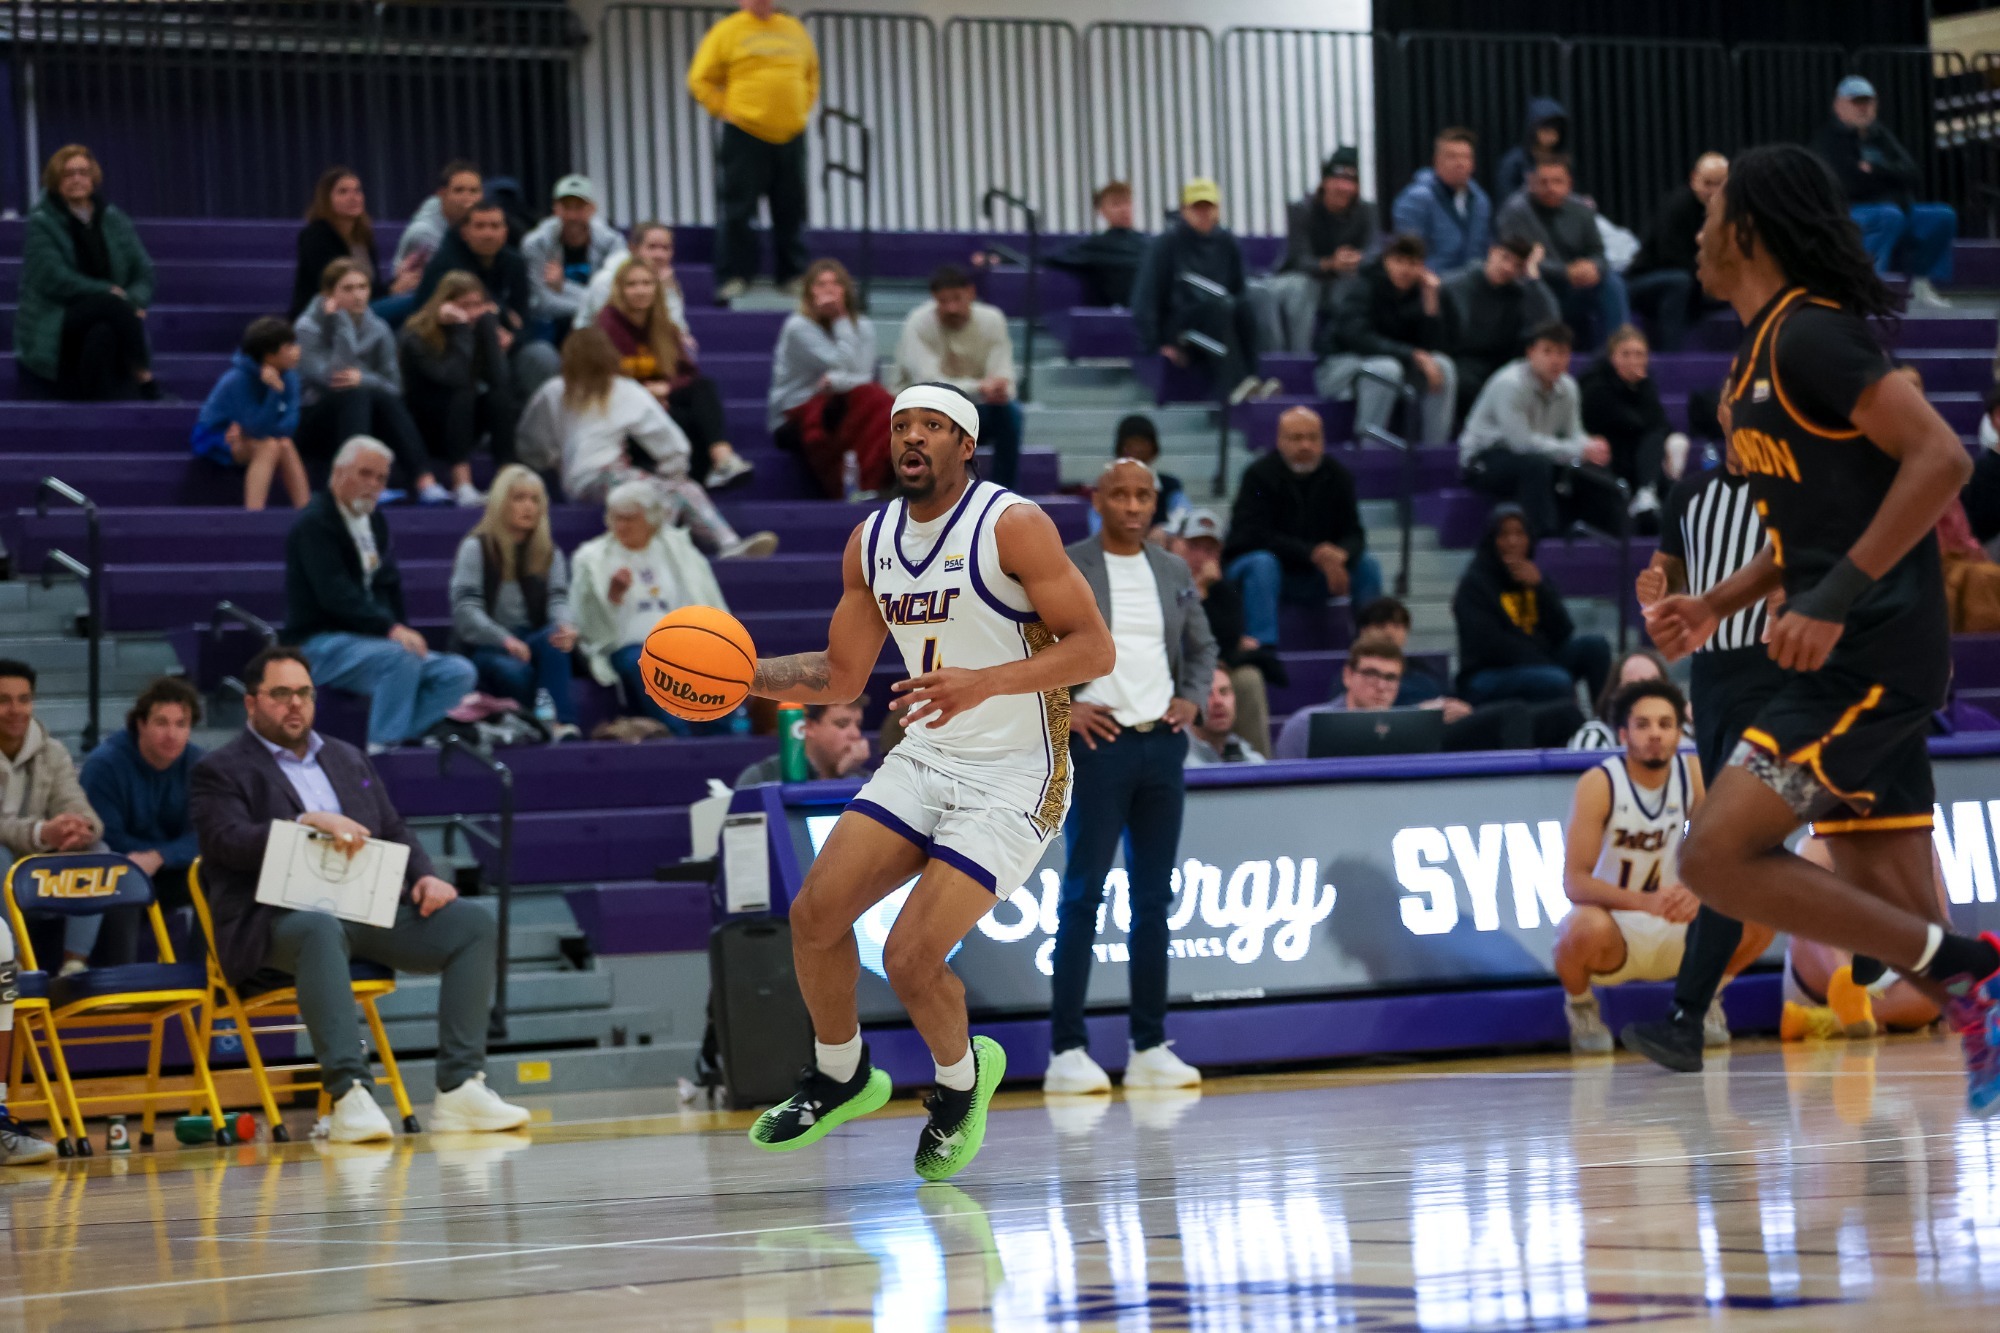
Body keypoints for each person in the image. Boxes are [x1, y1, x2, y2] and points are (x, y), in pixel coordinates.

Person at [1641, 143, 2000, 1115]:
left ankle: (1976, 964)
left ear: (1747, 231)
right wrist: (1717, 602)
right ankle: (1970, 976)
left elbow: (1938, 460)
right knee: (1897, 915)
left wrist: (1832, 596)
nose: (1696, 226)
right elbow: (1814, 525)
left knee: (1711, 855)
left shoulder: (1809, 338)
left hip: (1866, 659)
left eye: (1711, 210)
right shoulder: (1750, 363)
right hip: (1844, 648)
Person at [742, 381, 1114, 1180]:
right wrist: (745, 677)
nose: (912, 436)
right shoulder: (870, 541)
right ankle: (841, 1072)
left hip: (1018, 773)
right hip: (927, 758)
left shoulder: (1012, 524)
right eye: (901, 425)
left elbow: (1093, 650)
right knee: (814, 914)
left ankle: (958, 1081)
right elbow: (841, 675)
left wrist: (984, 681)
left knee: (912, 956)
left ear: (965, 445)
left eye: (932, 425)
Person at [189, 645, 530, 1143]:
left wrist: (424, 875)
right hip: (272, 921)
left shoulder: (346, 757)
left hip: (364, 908)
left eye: (304, 693)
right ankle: (349, 1093)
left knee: (472, 924)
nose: (295, 705)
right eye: (280, 694)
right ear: (251, 703)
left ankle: (459, 1088)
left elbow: (393, 828)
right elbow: (225, 843)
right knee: (319, 928)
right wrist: (304, 823)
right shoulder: (219, 768)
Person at [1045, 458, 1216, 1096]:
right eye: (1121, 495)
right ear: (1098, 500)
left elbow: (1202, 647)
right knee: (1083, 894)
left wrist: (1192, 699)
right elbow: (1026, 647)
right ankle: (1067, 1048)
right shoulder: (1067, 565)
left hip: (1162, 746)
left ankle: (1148, 1044)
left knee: (1153, 902)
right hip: (1099, 747)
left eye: (1144, 495)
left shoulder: (1172, 569)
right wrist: (1067, 706)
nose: (1134, 506)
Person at [1620, 445, 1790, 1071]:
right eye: (1729, 400)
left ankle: (1687, 1017)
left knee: (1724, 838)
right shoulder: (1689, 495)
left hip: (1777, 669)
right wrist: (1656, 589)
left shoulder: (1795, 483)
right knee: (1730, 846)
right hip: (1711, 677)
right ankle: (1688, 1018)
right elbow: (1669, 584)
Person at [1553, 679, 1772, 1054]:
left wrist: (1695, 892)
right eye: (1643, 725)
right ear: (1623, 734)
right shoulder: (1600, 783)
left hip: (1679, 923)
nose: (1655, 734)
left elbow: (1720, 857)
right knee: (1579, 927)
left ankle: (1705, 1001)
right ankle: (1582, 1006)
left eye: (1665, 724)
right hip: (1616, 930)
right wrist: (1644, 902)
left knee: (1761, 910)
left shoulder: (1693, 774)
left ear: (1677, 732)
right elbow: (1574, 882)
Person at [283, 437, 478, 749]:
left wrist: (400, 629)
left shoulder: (375, 521)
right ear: (338, 472)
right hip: (317, 643)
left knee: (458, 672)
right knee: (400, 658)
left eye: (381, 478)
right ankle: (383, 753)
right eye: (365, 474)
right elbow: (336, 595)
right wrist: (391, 629)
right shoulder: (314, 524)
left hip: (369, 643)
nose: (373, 485)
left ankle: (400, 739)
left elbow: (390, 585)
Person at [517, 327, 773, 558]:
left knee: (680, 493)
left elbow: (530, 442)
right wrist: (672, 470)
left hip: (584, 483)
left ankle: (727, 544)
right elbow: (671, 443)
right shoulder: (607, 390)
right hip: (602, 479)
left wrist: (552, 461)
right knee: (672, 494)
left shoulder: (558, 390)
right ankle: (675, 549)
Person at [582, 229, 753, 490]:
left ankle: (722, 458)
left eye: (647, 284)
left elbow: (688, 374)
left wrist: (666, 389)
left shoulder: (665, 326)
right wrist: (644, 395)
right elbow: (602, 380)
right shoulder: (606, 326)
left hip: (661, 402)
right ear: (619, 290)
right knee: (683, 421)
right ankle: (691, 482)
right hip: (623, 412)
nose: (640, 291)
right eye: (632, 284)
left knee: (702, 391)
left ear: (656, 288)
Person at [570, 480, 739, 733]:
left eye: (630, 519)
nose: (621, 526)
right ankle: (678, 738)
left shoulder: (679, 550)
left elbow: (705, 600)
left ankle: (724, 741)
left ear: (651, 519)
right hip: (628, 647)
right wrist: (613, 595)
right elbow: (586, 625)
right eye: (616, 518)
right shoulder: (592, 558)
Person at [688, 0, 819, 303]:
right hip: (745, 134)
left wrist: (800, 109)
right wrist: (724, 110)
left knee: (791, 207)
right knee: (739, 208)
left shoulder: (794, 29)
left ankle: (792, 275)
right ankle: (734, 276)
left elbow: (812, 75)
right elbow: (700, 79)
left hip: (791, 134)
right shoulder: (727, 31)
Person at [1223, 406, 1380, 647]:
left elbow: (1355, 533)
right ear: (1279, 440)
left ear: (1323, 440)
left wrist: (1340, 554)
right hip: (1262, 573)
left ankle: (1373, 644)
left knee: (1367, 566)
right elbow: (1251, 535)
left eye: (1312, 438)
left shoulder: (1339, 476)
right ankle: (1264, 648)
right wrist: (1314, 554)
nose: (1305, 446)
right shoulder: (1258, 475)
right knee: (1263, 563)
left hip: (1318, 574)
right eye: (1296, 438)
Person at [294, 258, 446, 503]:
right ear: (328, 294)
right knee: (356, 392)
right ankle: (360, 483)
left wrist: (364, 378)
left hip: (365, 417)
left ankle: (425, 482)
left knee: (378, 395)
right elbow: (333, 377)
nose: (358, 295)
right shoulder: (308, 327)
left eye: (363, 287)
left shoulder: (378, 328)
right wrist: (341, 322)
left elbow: (395, 386)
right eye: (348, 288)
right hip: (315, 419)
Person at [17, 144, 159, 402]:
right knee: (112, 305)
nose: (77, 179)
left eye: (82, 172)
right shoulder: (42, 222)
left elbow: (143, 272)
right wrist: (109, 293)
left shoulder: (114, 219)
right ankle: (145, 379)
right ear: (55, 181)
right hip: (59, 314)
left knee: (103, 332)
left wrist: (134, 299)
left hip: (107, 314)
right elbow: (53, 278)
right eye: (68, 174)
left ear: (93, 177)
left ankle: (97, 408)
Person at [451, 466, 581, 734]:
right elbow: (466, 608)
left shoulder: (549, 552)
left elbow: (558, 597)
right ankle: (530, 722)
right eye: (519, 498)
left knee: (555, 640)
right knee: (513, 672)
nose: (528, 507)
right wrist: (504, 640)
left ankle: (554, 723)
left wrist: (565, 625)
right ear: (501, 502)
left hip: (530, 641)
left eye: (535, 500)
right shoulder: (476, 547)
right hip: (487, 645)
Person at [1350, 595, 1580, 746]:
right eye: (1381, 626)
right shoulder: (1358, 672)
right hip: (1420, 737)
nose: (1391, 633)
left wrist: (1460, 707)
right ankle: (1519, 790)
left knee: (1564, 714)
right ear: (1363, 631)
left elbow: (1450, 697)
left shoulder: (1422, 667)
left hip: (1457, 723)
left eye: (1398, 625)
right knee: (1513, 712)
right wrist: (1420, 712)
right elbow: (1358, 721)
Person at [1274, 633, 1552, 758]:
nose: (1381, 686)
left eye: (1391, 678)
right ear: (1348, 675)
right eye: (1371, 674)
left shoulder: (1409, 732)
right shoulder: (1306, 724)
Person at [0, 660, 109, 977]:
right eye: (4, 700)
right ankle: (15, 964)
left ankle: (74, 967)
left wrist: (80, 828)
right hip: (7, 861)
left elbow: (78, 804)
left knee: (99, 852)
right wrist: (41, 832)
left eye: (24, 699)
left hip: (38, 863)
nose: (16, 710)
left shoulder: (53, 751)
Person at [1460, 320, 1617, 539]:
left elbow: (1574, 432)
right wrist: (1577, 450)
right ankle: (1541, 539)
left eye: (1562, 353)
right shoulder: (1510, 384)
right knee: (1536, 466)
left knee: (1593, 468)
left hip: (1536, 455)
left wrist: (1590, 446)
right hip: (1483, 460)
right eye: (1548, 352)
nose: (1555, 360)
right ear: (1531, 353)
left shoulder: (1568, 387)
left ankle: (1596, 540)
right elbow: (1521, 444)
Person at [1130, 179, 1280, 407]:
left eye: (1208, 207)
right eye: (1196, 208)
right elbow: (1146, 297)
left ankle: (1253, 380)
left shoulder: (1227, 242)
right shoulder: (1165, 244)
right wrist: (1156, 344)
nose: (1203, 214)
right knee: (1220, 307)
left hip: (1220, 313)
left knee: (1244, 307)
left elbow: (1239, 289)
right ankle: (1235, 384)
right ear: (1184, 211)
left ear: (1217, 210)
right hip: (1181, 323)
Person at [78, 677, 206, 940]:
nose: (172, 734)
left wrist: (160, 856)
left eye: (181, 724)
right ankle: (119, 979)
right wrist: (151, 858)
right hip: (117, 870)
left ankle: (205, 974)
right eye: (161, 723)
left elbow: (208, 834)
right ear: (141, 724)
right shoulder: (104, 766)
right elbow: (104, 836)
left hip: (170, 868)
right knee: (125, 883)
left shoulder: (200, 765)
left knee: (216, 878)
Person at [1812, 75, 1955, 307]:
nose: (1863, 108)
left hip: (1893, 207)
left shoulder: (1881, 135)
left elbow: (1912, 173)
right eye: (1856, 102)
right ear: (1839, 105)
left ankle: (1919, 285)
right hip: (1847, 213)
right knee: (1888, 215)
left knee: (1942, 216)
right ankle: (1867, 286)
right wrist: (1889, 177)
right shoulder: (1828, 141)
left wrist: (1876, 169)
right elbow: (1847, 184)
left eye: (1868, 102)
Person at [1453, 505, 1611, 707]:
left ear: (1530, 539)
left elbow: (1563, 631)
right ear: (1491, 540)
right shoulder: (1474, 584)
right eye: (1503, 535)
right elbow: (1491, 647)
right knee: (1556, 680)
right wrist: (1543, 660)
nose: (1512, 542)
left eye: (1520, 533)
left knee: (1595, 647)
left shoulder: (1534, 576)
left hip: (1538, 660)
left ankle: (1605, 724)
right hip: (1487, 673)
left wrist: (1540, 589)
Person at [768, 258, 894, 498]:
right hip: (795, 412)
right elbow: (841, 362)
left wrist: (836, 382)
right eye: (820, 284)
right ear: (809, 292)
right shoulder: (798, 327)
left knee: (875, 398)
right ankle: (862, 483)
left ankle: (873, 481)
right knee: (872, 399)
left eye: (836, 284)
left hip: (843, 401)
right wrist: (840, 319)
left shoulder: (863, 326)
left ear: (846, 290)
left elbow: (863, 375)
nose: (829, 290)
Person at [1315, 233, 1456, 445]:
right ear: (1386, 261)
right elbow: (1356, 337)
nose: (1405, 270)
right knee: (1386, 369)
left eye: (1413, 263)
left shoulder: (1424, 292)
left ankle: (1433, 451)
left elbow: (1433, 349)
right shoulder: (1363, 284)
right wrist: (1412, 355)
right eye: (1398, 261)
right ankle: (1369, 451)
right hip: (1339, 366)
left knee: (1443, 365)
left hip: (1395, 365)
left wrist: (1431, 306)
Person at [415, 197, 561, 398]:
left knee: (542, 354)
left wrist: (512, 337)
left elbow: (523, 320)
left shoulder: (515, 263)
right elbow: (425, 316)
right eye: (480, 226)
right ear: (465, 232)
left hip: (505, 346)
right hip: (455, 348)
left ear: (505, 232)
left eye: (494, 226)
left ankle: (540, 424)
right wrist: (501, 314)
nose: (488, 233)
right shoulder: (446, 263)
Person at [893, 266, 1023, 490]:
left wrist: (1000, 389)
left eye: (957, 299)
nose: (951, 308)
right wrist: (981, 388)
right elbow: (928, 384)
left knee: (1010, 414)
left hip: (977, 408)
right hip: (923, 409)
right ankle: (923, 490)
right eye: (944, 301)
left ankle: (1004, 493)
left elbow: (1003, 373)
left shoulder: (992, 320)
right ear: (934, 299)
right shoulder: (919, 323)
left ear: (971, 293)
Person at [398, 272, 518, 505]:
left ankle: (508, 480)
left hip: (463, 422)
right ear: (444, 305)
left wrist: (488, 332)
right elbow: (454, 378)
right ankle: (461, 483)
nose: (473, 313)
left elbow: (500, 380)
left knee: (499, 398)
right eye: (465, 306)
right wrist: (461, 330)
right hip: (426, 425)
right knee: (463, 392)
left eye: (478, 305)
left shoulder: (479, 328)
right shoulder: (418, 334)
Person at [1496, 153, 1627, 351]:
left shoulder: (1581, 210)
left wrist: (1593, 267)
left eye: (1557, 181)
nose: (1551, 188)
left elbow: (1599, 253)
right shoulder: (1515, 211)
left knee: (1611, 282)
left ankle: (1617, 351)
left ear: (1569, 183)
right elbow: (1518, 259)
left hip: (1574, 288)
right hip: (1533, 288)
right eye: (1544, 182)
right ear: (1531, 182)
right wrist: (1566, 272)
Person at [1171, 509, 1273, 758]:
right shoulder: (1158, 582)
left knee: (1248, 679)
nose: (1200, 557)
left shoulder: (1223, 592)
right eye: (1194, 546)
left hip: (1213, 669)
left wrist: (1204, 592)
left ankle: (1258, 766)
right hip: (1168, 672)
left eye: (1209, 550)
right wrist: (1195, 592)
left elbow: (1227, 639)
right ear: (1177, 545)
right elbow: (1170, 637)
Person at [1256, 148, 1377, 354]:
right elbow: (1299, 259)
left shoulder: (1366, 210)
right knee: (1304, 287)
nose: (1343, 187)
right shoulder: (1301, 209)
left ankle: (1345, 356)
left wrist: (1357, 259)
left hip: (1342, 279)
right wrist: (1331, 263)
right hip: (1301, 279)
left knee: (1354, 285)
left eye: (1350, 182)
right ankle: (1298, 359)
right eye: (1337, 180)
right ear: (1325, 183)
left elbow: (1376, 250)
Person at [190, 317, 310, 512]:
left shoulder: (291, 377)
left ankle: (305, 512)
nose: (297, 351)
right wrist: (274, 392)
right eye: (289, 346)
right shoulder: (236, 380)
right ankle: (254, 514)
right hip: (215, 435)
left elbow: (289, 426)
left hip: (253, 434)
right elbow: (257, 428)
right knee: (269, 446)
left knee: (285, 444)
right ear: (269, 356)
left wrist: (262, 427)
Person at [1578, 324, 1689, 522]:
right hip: (1607, 460)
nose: (1633, 361)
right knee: (1653, 437)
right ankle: (1647, 494)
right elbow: (1632, 423)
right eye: (1626, 354)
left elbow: (1661, 425)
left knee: (1665, 444)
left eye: (1639, 354)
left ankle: (1648, 496)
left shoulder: (1645, 386)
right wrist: (1644, 388)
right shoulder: (1595, 385)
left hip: (1638, 459)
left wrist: (1644, 388)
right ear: (1612, 357)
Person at [1443, 237, 1559, 424]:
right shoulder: (1455, 285)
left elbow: (1551, 323)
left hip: (1501, 364)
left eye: (1517, 265)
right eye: (1505, 258)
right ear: (1492, 252)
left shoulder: (1517, 293)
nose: (1508, 268)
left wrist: (1533, 275)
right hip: (1461, 361)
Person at [1625, 153, 1726, 352]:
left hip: (1691, 279)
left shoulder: (1728, 211)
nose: (1713, 192)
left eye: (1720, 184)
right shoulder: (1677, 207)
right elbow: (1670, 258)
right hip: (1647, 280)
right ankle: (1672, 354)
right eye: (1708, 184)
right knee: (1679, 281)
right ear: (1694, 179)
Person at [290, 166, 421, 321]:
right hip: (327, 315)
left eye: (357, 191)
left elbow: (370, 287)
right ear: (326, 199)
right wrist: (393, 288)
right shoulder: (315, 236)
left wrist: (398, 279)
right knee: (415, 302)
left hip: (364, 309)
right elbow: (340, 288)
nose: (353, 197)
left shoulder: (363, 236)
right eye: (343, 192)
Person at [518, 174, 627, 336]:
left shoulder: (612, 242)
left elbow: (616, 295)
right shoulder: (535, 243)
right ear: (555, 209)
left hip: (601, 324)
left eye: (579, 207)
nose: (572, 216)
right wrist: (596, 305)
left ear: (593, 209)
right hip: (552, 323)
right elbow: (539, 301)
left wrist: (563, 286)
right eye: (566, 207)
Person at [1390, 128, 1491, 276]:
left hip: (1472, 287)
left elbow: (1484, 248)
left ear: (1473, 164)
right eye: (1452, 157)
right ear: (1436, 161)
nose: (1460, 163)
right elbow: (1409, 256)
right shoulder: (1415, 200)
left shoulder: (1481, 201)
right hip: (1434, 285)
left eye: (1466, 157)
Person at [575, 220, 692, 337]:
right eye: (652, 247)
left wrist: (668, 289)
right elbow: (608, 326)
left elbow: (678, 328)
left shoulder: (665, 279)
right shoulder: (607, 279)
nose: (660, 255)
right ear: (633, 249)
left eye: (666, 248)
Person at [1045, 181, 1147, 308]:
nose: (1124, 209)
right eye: (1116, 204)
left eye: (1127, 202)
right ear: (1102, 211)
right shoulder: (1095, 246)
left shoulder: (1151, 244)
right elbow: (1052, 259)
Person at [735, 701, 873, 785]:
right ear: (808, 727)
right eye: (842, 724)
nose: (856, 734)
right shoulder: (762, 777)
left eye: (858, 724)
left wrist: (851, 778)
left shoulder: (868, 781)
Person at [391, 160, 484, 277]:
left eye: (474, 191)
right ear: (442, 194)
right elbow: (456, 277)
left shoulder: (484, 220)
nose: (468, 198)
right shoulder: (423, 232)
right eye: (459, 190)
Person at [1566, 647, 1671, 749]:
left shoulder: (1680, 733)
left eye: (1654, 686)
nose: (1646, 697)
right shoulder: (1592, 738)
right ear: (1615, 696)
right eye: (1634, 688)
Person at [1495, 96, 1569, 206]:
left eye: (1556, 127)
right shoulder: (1513, 162)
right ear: (1533, 128)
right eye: (1545, 126)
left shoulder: (1562, 161)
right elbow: (1505, 200)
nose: (1551, 132)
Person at [1185, 667, 1264, 767]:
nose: (1218, 701)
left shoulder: (1252, 760)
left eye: (1224, 692)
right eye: (1207, 694)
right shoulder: (1177, 764)